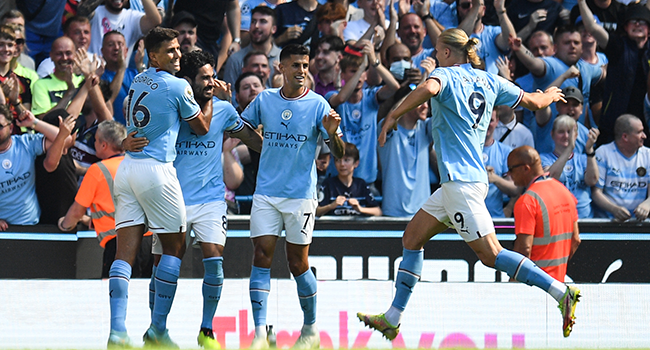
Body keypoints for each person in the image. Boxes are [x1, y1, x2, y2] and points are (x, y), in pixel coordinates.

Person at [357, 28, 580, 340]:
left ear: (448, 53)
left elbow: (429, 89)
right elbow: (532, 101)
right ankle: (393, 317)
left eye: (436, 50)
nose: (433, 56)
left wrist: (393, 114)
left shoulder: (444, 77)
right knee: (411, 239)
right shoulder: (490, 79)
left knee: (491, 255)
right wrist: (549, 96)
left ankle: (560, 292)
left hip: (461, 185)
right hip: (457, 185)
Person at [106, 27, 211, 348]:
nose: (178, 56)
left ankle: (117, 332)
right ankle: (157, 330)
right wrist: (211, 99)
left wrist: (125, 140)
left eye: (179, 50)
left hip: (128, 169)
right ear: (154, 56)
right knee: (175, 248)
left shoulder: (139, 78)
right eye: (171, 51)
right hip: (157, 173)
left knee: (123, 253)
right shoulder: (179, 86)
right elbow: (202, 127)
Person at [241, 44, 344, 349]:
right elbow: (243, 128)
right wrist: (262, 144)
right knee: (261, 257)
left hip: (300, 196)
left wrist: (333, 134)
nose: (301, 71)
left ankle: (310, 329)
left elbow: (338, 153)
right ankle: (260, 333)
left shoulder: (318, 105)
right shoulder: (265, 100)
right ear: (280, 68)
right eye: (295, 65)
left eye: (305, 65)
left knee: (298, 263)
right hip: (266, 193)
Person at [58, 120, 154, 278]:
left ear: (104, 145)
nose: (94, 143)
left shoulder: (97, 171)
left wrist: (64, 224)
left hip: (120, 244)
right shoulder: (141, 164)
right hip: (150, 243)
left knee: (117, 294)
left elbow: (76, 211)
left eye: (95, 140)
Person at [327, 41, 400, 187]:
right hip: (337, 179)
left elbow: (394, 87)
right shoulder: (331, 95)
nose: (359, 75)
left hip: (367, 179)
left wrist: (375, 61)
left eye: (362, 71)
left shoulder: (370, 98)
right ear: (343, 74)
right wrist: (361, 68)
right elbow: (341, 99)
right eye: (353, 71)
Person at [510, 145, 581, 283]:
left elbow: (524, 249)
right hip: (558, 284)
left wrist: (513, 282)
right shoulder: (565, 193)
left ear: (525, 168)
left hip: (534, 285)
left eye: (511, 169)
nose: (509, 175)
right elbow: (576, 240)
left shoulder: (527, 201)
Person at [0, 105, 74, 230]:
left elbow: (66, 139)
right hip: (4, 230)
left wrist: (34, 122)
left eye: (0, 126)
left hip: (32, 225)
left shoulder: (25, 143)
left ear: (11, 127)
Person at [592, 114, 650, 221]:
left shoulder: (648, 155)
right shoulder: (603, 153)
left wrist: (647, 204)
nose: (644, 136)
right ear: (625, 137)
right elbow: (596, 193)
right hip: (608, 222)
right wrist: (614, 209)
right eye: (639, 132)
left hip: (638, 223)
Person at [539, 115, 599, 218]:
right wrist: (570, 148)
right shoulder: (543, 158)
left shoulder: (584, 159)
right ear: (552, 134)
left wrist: (589, 150)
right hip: (557, 218)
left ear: (575, 135)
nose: (566, 136)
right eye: (561, 132)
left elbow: (592, 180)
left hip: (583, 218)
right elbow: (550, 178)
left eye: (569, 132)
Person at [80, 0, 161, 60]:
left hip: (120, 76)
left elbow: (155, 21)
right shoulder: (96, 13)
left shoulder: (131, 17)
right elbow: (82, 11)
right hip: (93, 73)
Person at [317, 142, 381, 216]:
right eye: (338, 160)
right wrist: (331, 206)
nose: (342, 164)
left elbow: (378, 211)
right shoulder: (328, 184)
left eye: (346, 160)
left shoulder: (361, 184)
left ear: (356, 163)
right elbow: (316, 211)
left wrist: (360, 208)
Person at [31, 37, 85, 118]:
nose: (64, 58)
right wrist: (69, 92)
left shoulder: (83, 82)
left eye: (68, 53)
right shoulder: (41, 85)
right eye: (59, 54)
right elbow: (43, 120)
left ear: (75, 55)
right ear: (51, 56)